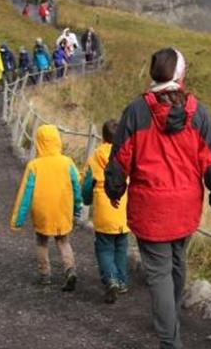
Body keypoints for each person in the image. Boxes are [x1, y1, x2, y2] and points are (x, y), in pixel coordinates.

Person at [105, 47, 211, 349]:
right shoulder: (198, 113)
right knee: (176, 263)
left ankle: (169, 342)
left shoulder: (135, 112)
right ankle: (168, 319)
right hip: (186, 206)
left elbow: (120, 157)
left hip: (150, 207)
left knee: (159, 272)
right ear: (180, 75)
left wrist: (114, 189)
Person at [10, 124, 83, 289]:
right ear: (57, 141)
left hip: (42, 212)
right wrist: (77, 207)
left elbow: (25, 195)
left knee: (42, 242)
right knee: (63, 241)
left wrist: (18, 220)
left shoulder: (34, 166)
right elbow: (76, 186)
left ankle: (45, 274)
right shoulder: (67, 162)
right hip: (62, 209)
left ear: (39, 142)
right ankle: (70, 269)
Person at [82, 119, 130, 303]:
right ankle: (122, 281)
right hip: (124, 210)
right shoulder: (126, 155)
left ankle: (110, 279)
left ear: (103, 137)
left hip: (104, 209)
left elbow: (87, 184)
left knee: (104, 248)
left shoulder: (95, 157)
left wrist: (86, 200)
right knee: (120, 247)